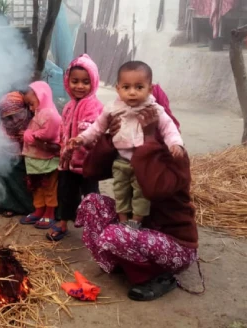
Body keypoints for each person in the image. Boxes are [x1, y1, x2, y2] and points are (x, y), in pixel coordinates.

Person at [75, 94, 198, 302]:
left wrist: (149, 139)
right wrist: (110, 138)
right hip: (138, 230)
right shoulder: (130, 150)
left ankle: (156, 277)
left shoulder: (175, 154)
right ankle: (126, 262)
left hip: (176, 244)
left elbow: (152, 189)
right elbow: (92, 172)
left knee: (115, 235)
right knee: (91, 203)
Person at [67, 61, 183, 229]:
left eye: (139, 87)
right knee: (120, 192)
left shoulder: (154, 109)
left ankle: (135, 223)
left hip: (143, 164)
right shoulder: (113, 108)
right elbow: (97, 128)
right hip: (121, 161)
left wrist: (176, 144)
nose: (132, 92)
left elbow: (169, 128)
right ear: (118, 88)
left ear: (150, 89)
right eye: (126, 87)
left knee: (141, 193)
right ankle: (122, 222)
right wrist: (81, 139)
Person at [48, 54, 104, 241]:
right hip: (67, 161)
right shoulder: (68, 107)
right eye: (75, 81)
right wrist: (60, 146)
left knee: (91, 197)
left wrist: (82, 139)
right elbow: (64, 130)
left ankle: (95, 229)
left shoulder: (95, 106)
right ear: (67, 81)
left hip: (87, 163)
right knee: (65, 194)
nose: (79, 86)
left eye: (86, 82)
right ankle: (63, 223)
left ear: (94, 82)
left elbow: (97, 131)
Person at [19, 81, 63, 230]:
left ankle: (49, 213)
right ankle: (39, 210)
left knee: (49, 187)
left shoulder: (50, 114)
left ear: (41, 96)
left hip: (47, 158)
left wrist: (28, 135)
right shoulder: (40, 112)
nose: (31, 108)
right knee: (37, 187)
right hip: (36, 159)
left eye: (31, 104)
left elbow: (47, 134)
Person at [0, 91, 36, 217]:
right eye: (8, 118)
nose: (14, 121)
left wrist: (27, 138)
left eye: (17, 115)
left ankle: (32, 207)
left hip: (34, 160)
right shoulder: (3, 127)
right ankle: (8, 204)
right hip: (14, 160)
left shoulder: (36, 120)